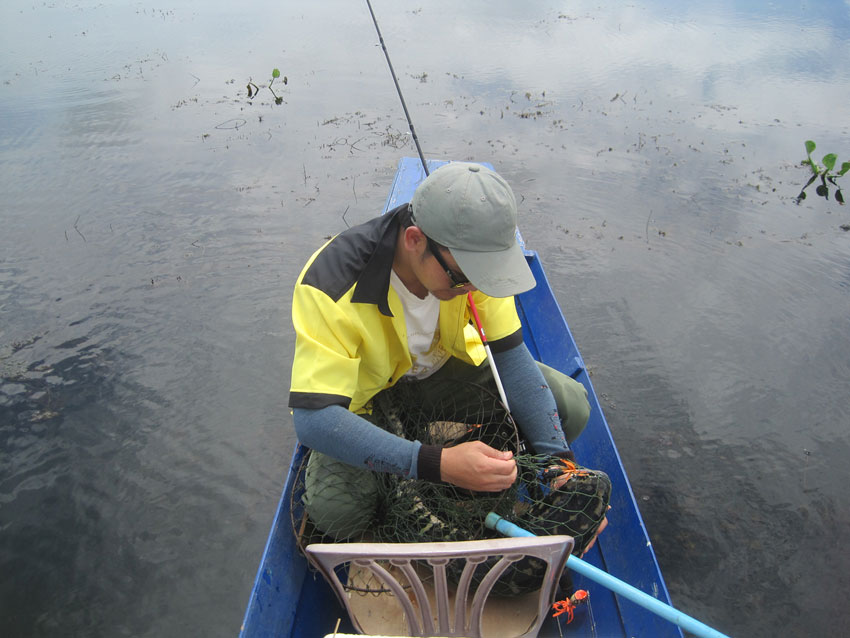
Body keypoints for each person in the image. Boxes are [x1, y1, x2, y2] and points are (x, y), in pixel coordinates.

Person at [289, 162, 604, 547]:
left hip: (441, 374)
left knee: (570, 407)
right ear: (414, 240)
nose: (472, 287)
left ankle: (475, 458)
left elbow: (509, 356)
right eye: (461, 277)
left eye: (482, 277)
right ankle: (411, 456)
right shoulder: (330, 283)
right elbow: (313, 419)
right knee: (338, 512)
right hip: (368, 398)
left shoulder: (474, 262)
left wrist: (559, 463)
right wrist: (437, 464)